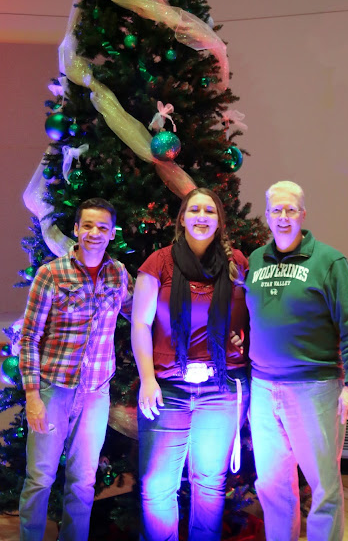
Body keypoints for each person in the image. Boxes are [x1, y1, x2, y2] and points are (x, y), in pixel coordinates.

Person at [244, 181, 348, 541]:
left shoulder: (329, 261)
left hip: (315, 388)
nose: (283, 217)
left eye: (291, 210)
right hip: (263, 388)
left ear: (303, 214)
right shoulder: (255, 260)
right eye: (276, 210)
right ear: (267, 215)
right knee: (272, 485)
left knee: (323, 486)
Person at [131, 187, 249, 541]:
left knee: (210, 483)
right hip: (168, 388)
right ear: (182, 219)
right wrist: (147, 379)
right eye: (194, 210)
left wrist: (242, 336)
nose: (202, 217)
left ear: (219, 221)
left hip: (221, 388)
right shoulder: (159, 262)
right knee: (157, 485)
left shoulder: (237, 263)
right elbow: (140, 324)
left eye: (210, 211)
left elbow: (252, 313)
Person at [18, 197, 133, 541]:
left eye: (102, 227)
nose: (94, 233)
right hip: (53, 389)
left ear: (111, 233)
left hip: (96, 393)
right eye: (88, 225)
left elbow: (140, 314)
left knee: (83, 480)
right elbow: (29, 337)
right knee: (40, 478)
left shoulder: (118, 274)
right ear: (76, 229)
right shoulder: (51, 274)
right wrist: (32, 396)